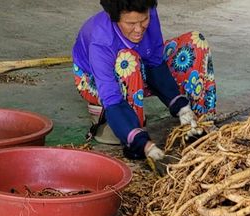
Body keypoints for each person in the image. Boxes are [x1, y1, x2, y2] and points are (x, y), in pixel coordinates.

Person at [72, 0, 215, 164]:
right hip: (96, 81)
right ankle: (135, 136)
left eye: (143, 20)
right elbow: (111, 99)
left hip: (140, 68)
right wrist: (145, 145)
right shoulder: (101, 41)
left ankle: (198, 124)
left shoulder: (150, 12)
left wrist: (181, 106)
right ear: (115, 18)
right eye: (130, 23)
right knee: (128, 60)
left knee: (196, 41)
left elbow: (154, 61)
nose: (139, 29)